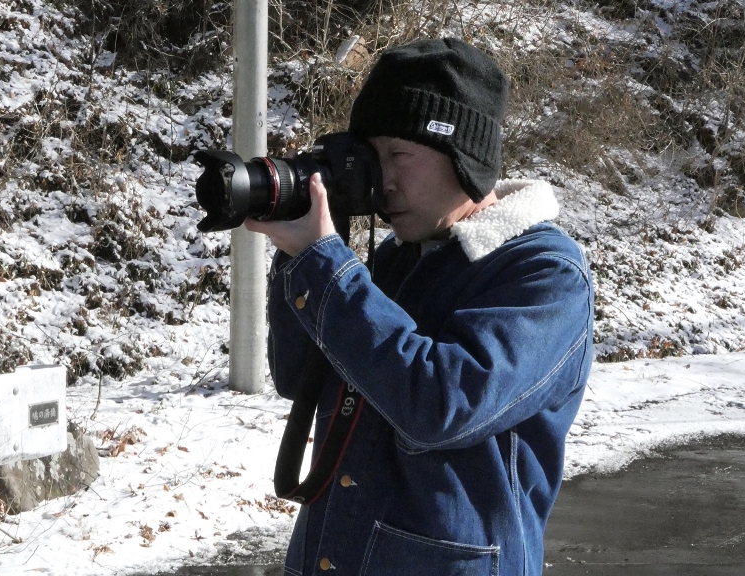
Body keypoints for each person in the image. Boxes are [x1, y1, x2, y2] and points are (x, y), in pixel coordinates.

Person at [244, 37, 594, 576]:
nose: (382, 180)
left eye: (399, 155)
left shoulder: (546, 274)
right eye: (372, 156)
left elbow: (442, 405)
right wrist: (299, 255)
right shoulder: (392, 259)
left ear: (465, 157)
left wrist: (326, 266)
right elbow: (298, 377)